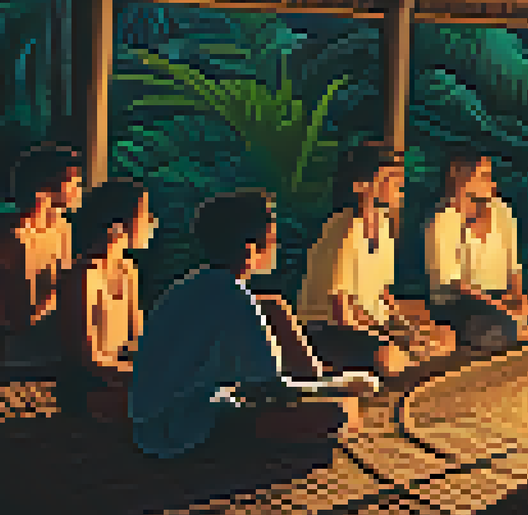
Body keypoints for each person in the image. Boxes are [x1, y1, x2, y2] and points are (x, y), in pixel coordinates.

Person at [130, 190, 378, 459]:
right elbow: (269, 390)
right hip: (180, 426)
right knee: (335, 413)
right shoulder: (233, 296)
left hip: (154, 420)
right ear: (250, 249)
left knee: (329, 405)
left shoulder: (190, 286)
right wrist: (340, 385)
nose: (276, 247)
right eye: (271, 240)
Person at [298, 143, 451, 377]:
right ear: (361, 186)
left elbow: (383, 293)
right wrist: (389, 335)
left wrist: (408, 329)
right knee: (391, 356)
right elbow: (342, 310)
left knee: (442, 336)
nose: (400, 184)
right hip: (330, 330)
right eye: (390, 177)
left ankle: (407, 358)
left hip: (370, 325)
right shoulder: (344, 228)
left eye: (400, 177)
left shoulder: (383, 223)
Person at [425, 153, 528, 352]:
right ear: (464, 182)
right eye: (484, 176)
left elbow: (514, 267)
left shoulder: (502, 210)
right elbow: (458, 286)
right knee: (499, 329)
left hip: (497, 297)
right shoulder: (444, 221)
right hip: (461, 303)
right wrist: (506, 311)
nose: (492, 182)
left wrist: (517, 299)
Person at [58, 179, 155, 422]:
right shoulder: (83, 276)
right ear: (117, 225)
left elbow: (138, 341)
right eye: (144, 215)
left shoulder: (128, 269)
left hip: (123, 378)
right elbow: (89, 360)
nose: (152, 222)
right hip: (88, 388)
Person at [0, 143, 85, 371]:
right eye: (74, 182)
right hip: (16, 353)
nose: (80, 189)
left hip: (56, 340)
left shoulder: (63, 228)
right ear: (46, 185)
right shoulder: (14, 239)